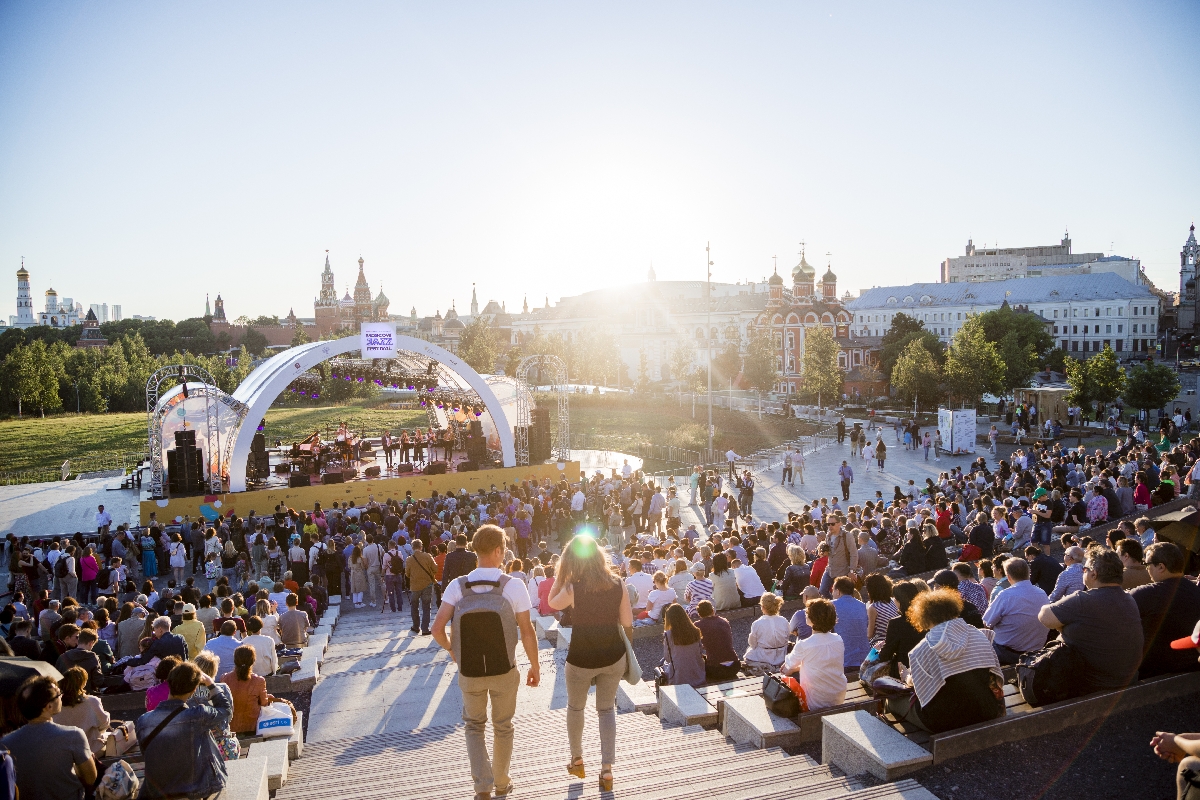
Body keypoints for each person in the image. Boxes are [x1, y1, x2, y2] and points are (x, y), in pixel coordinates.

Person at [430, 525, 540, 800]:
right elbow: (527, 631)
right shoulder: (513, 585)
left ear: (476, 551)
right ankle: (502, 782)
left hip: (470, 671)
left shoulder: (458, 586)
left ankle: (482, 787)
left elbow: (436, 629)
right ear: (499, 551)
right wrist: (535, 667)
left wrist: (453, 651)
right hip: (505, 669)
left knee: (474, 726)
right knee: (503, 726)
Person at [883, 588, 1005, 733]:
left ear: (923, 617)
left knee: (890, 702)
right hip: (986, 709)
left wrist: (906, 676)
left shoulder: (922, 650)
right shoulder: (979, 635)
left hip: (945, 721)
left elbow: (918, 686)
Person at [1038, 546, 1144, 692]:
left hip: (1094, 685)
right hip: (1129, 680)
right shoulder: (1129, 599)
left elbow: (1044, 616)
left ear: (1093, 574)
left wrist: (1062, 628)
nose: (1083, 572)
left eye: (1084, 569)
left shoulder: (1082, 600)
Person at [135, 660, 232, 799]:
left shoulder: (143, 721)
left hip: (155, 792)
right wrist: (210, 684)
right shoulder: (197, 715)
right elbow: (225, 709)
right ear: (193, 690)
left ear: (169, 682)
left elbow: (148, 754)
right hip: (194, 790)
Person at [3, 674, 97, 799]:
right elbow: (90, 778)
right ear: (49, 706)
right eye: (58, 694)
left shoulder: (5, 743)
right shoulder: (73, 735)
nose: (61, 696)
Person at [1131, 543, 1200, 678]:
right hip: (1195, 668)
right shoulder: (1196, 591)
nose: (1147, 569)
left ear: (1161, 567)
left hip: (1156, 674)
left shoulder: (1145, 594)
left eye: (1147, 564)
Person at [781, 598, 847, 710]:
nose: (805, 614)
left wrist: (793, 669)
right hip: (838, 697)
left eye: (807, 612)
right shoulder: (838, 639)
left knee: (786, 674)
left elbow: (788, 664)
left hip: (814, 702)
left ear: (813, 619)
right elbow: (821, 663)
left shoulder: (804, 644)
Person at [981, 557, 1049, 665]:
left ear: (1008, 577)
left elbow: (987, 622)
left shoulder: (1005, 595)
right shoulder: (1042, 593)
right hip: (1037, 650)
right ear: (1029, 573)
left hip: (1008, 653)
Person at [221, 644, 281, 734]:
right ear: (253, 661)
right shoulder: (259, 681)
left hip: (230, 727)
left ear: (235, 660)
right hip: (252, 726)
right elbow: (264, 703)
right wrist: (268, 698)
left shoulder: (224, 678)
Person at [662, 603, 706, 688]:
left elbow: (668, 658)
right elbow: (700, 652)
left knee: (663, 662)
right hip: (698, 675)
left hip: (678, 678)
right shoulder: (695, 631)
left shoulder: (668, 634)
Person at [694, 600, 740, 681]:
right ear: (712, 610)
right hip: (734, 666)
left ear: (699, 614)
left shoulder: (698, 625)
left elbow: (696, 647)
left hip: (715, 669)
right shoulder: (724, 621)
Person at [831, 576, 870, 668]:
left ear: (838, 591)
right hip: (864, 657)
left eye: (833, 590)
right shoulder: (863, 606)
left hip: (844, 659)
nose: (832, 593)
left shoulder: (831, 605)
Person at [743, 592, 789, 670]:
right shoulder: (784, 620)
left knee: (748, 654)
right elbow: (787, 637)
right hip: (782, 655)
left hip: (764, 656)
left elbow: (752, 644)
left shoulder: (757, 623)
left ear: (762, 607)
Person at [406, 539, 438, 635]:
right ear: (421, 547)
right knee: (426, 607)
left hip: (415, 586)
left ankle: (416, 626)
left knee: (414, 606)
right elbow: (435, 568)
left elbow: (407, 574)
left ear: (412, 548)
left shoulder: (409, 559)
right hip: (427, 584)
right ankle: (425, 629)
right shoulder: (427, 556)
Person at [864, 573, 899, 650]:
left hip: (881, 645)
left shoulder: (873, 608)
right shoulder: (894, 601)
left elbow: (869, 634)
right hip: (895, 641)